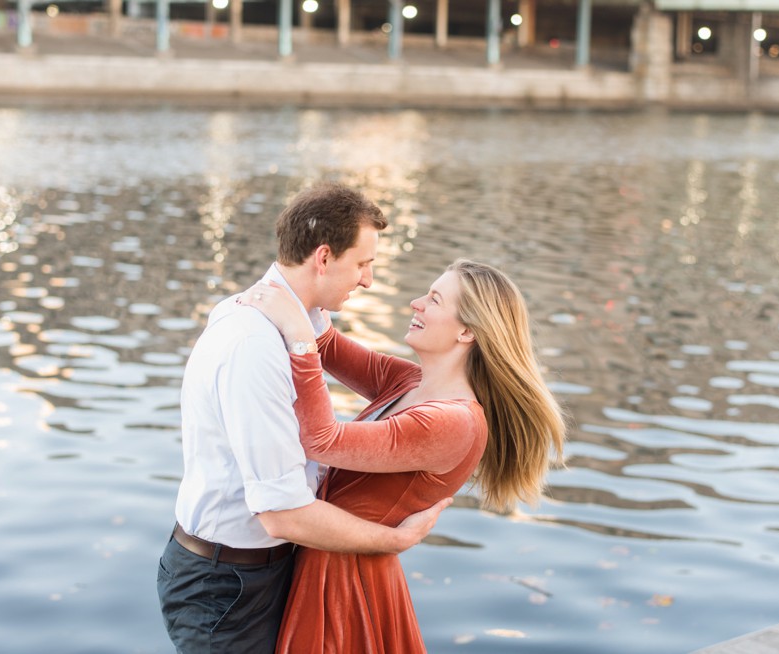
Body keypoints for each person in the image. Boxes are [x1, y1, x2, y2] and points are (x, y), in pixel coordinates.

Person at [157, 182, 452, 654]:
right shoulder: (255, 344)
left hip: (261, 570)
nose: (369, 280)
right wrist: (392, 540)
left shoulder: (296, 322)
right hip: (227, 587)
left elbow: (347, 358)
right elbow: (281, 512)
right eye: (362, 263)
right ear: (323, 257)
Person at [239, 258, 567, 653]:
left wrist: (297, 334)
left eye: (434, 299)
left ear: (466, 331)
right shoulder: (410, 382)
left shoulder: (454, 423)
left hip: (346, 582)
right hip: (333, 562)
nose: (416, 303)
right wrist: (313, 276)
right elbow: (327, 345)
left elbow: (322, 439)